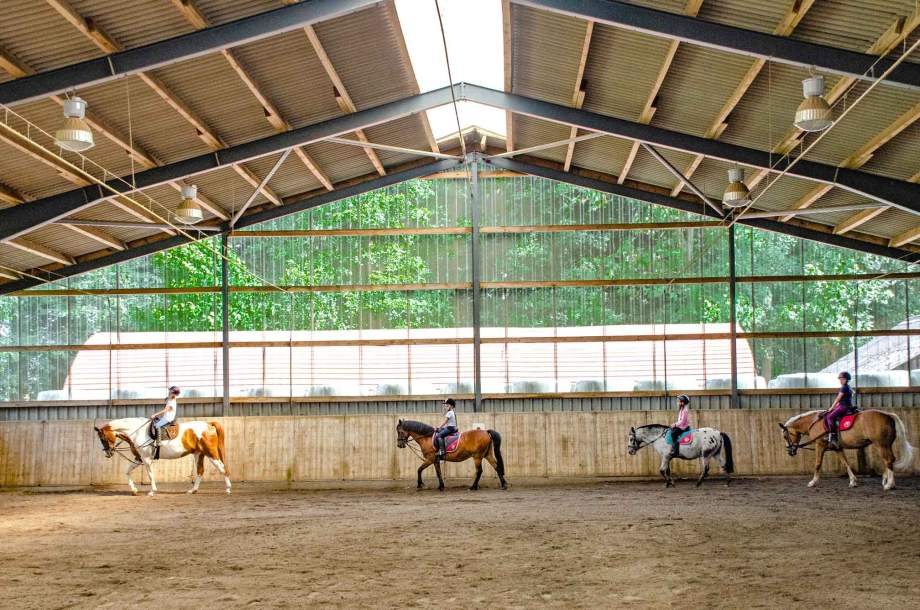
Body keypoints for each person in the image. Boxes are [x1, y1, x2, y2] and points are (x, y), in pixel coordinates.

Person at [824, 372, 854, 450]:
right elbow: (843, 399)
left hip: (843, 406)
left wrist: (831, 407)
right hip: (846, 405)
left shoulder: (844, 388)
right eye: (840, 379)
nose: (841, 380)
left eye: (843, 379)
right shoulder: (848, 387)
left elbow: (838, 398)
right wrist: (836, 407)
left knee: (829, 417)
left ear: (847, 380)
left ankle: (833, 436)